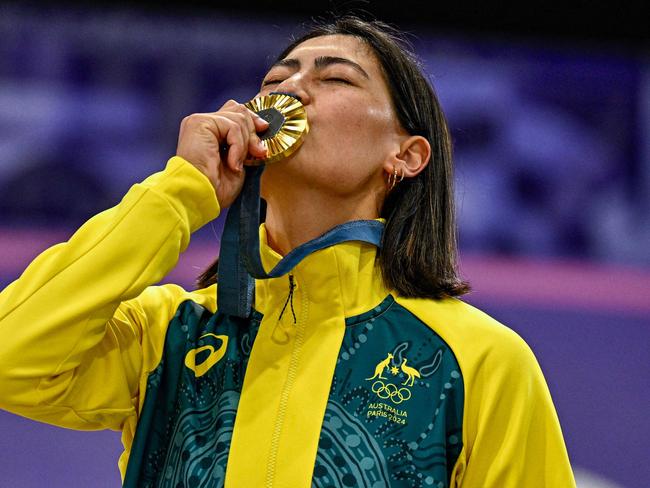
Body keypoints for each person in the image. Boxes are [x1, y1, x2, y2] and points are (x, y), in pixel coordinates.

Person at [0, 16, 575, 488]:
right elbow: (12, 359)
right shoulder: (167, 334)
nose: (289, 89)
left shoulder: (479, 361)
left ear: (406, 155)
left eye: (336, 79)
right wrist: (180, 194)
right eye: (278, 78)